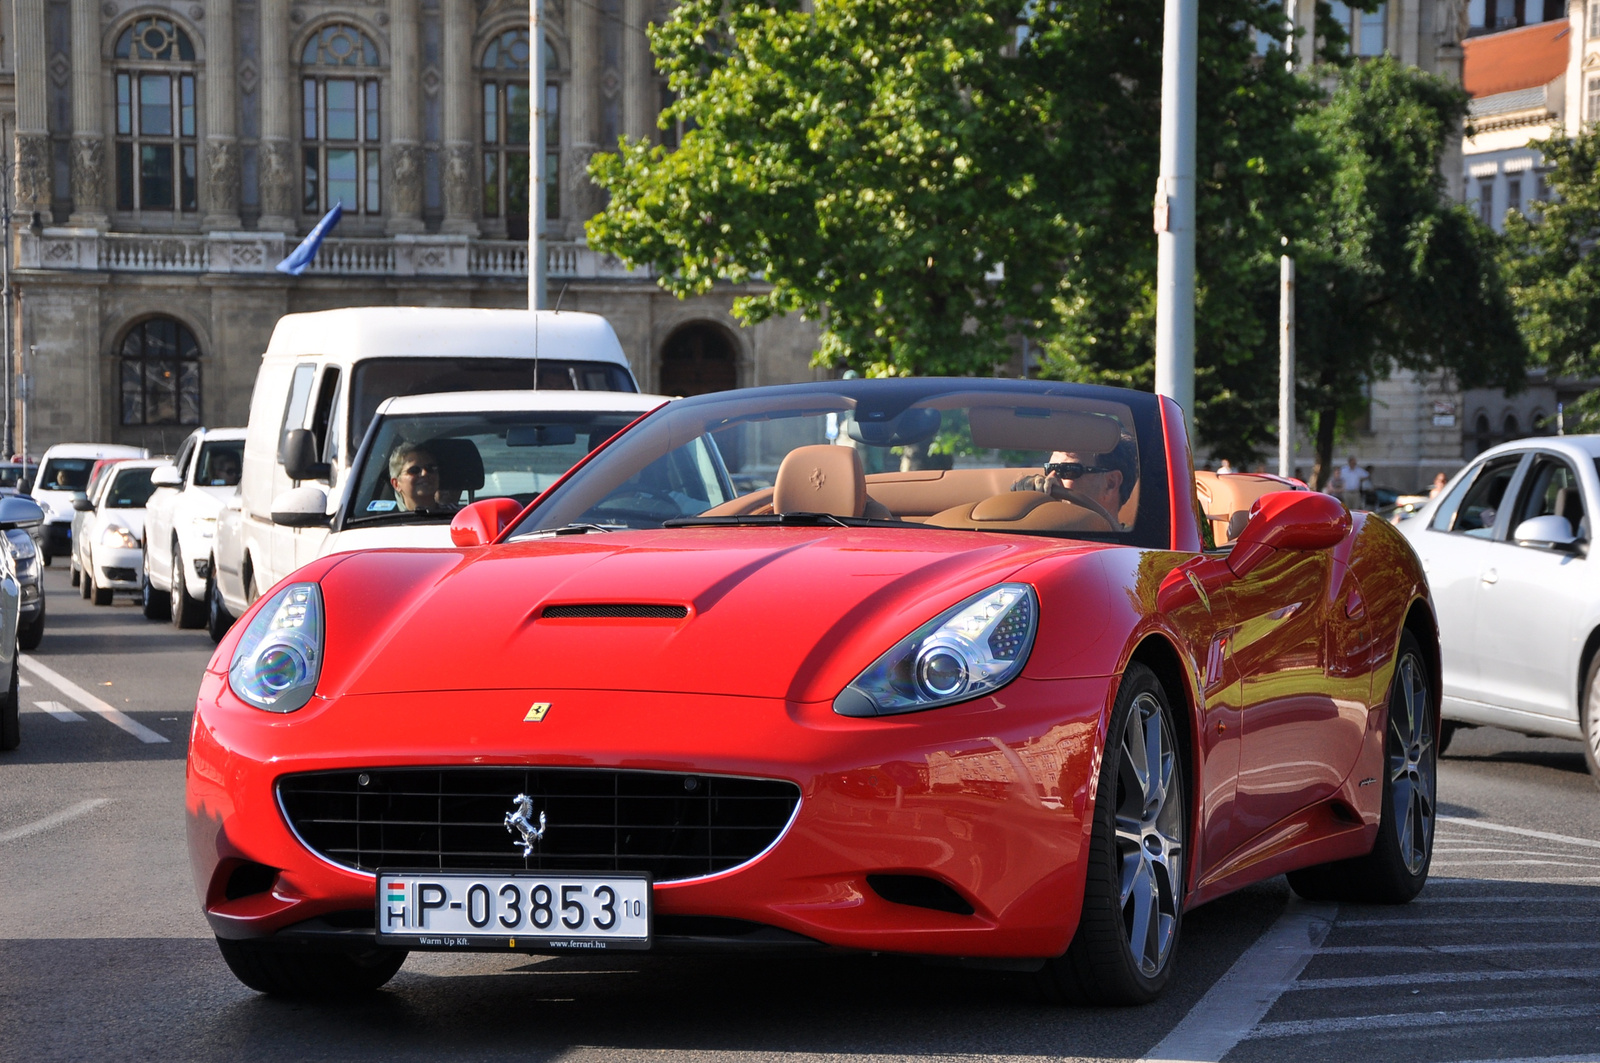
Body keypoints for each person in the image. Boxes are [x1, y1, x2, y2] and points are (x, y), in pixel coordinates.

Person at [1013, 438, 1138, 528]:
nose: (1050, 479)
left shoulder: (1135, 549)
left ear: (1111, 484)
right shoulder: (1035, 534)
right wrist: (1024, 502)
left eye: (1068, 471)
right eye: (1050, 469)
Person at [389, 443, 448, 512]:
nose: (424, 473)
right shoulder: (387, 520)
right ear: (396, 484)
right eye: (414, 470)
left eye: (430, 468)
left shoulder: (458, 516)